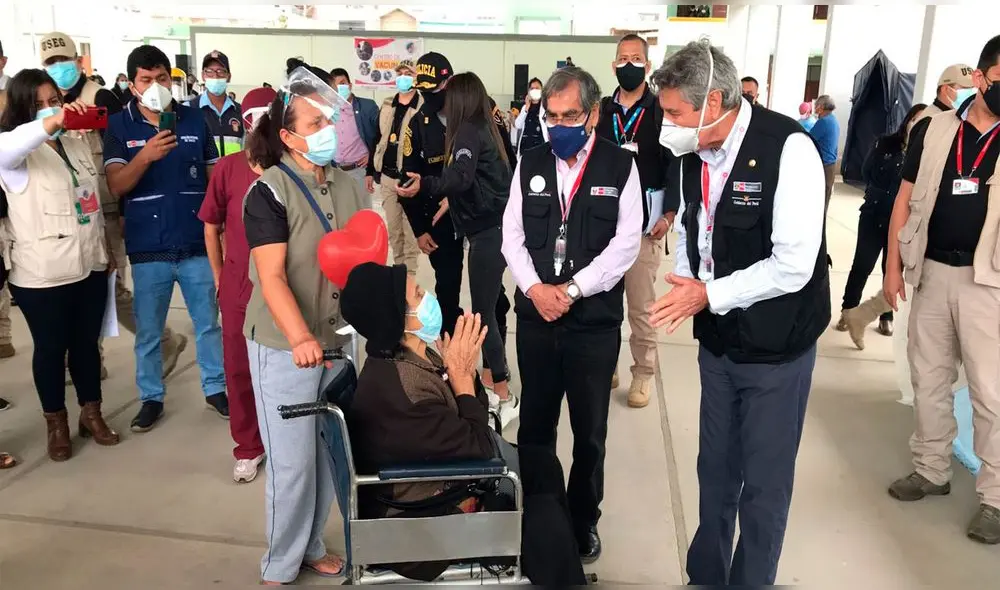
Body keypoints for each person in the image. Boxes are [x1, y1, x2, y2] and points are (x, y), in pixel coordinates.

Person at [649, 41, 829, 585]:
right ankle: (707, 576)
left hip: (776, 352)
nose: (668, 124)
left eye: (676, 113)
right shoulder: (692, 154)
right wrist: (686, 278)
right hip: (720, 346)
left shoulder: (787, 149)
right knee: (716, 472)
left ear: (715, 102)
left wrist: (708, 294)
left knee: (765, 487)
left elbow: (794, 265)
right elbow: (691, 229)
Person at [340, 262, 587, 585]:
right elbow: (480, 452)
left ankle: (560, 562)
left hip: (446, 478)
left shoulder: (411, 356)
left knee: (541, 462)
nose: (427, 297)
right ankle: (557, 567)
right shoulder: (402, 392)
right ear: (395, 318)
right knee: (544, 519)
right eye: (417, 295)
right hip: (423, 521)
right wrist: (461, 379)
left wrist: (464, 373)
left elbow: (475, 418)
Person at [502, 65, 642, 563]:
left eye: (570, 116)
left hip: (592, 325)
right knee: (536, 428)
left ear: (594, 113)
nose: (558, 125)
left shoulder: (621, 167)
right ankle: (541, 519)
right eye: (551, 115)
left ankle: (583, 523)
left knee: (590, 435)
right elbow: (512, 237)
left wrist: (575, 288)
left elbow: (626, 245)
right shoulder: (528, 163)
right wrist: (537, 289)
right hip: (538, 321)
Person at [241, 65, 365, 584]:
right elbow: (271, 278)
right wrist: (299, 337)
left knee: (326, 453)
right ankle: (279, 564)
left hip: (337, 342)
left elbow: (367, 257)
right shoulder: (268, 193)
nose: (326, 132)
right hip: (284, 347)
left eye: (329, 121)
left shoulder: (347, 182)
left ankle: (311, 544)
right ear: (288, 136)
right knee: (291, 466)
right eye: (313, 124)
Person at [882, 35, 1000, 545]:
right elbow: (903, 199)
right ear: (980, 78)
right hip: (929, 270)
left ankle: (995, 499)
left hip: (988, 283)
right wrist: (892, 268)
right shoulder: (935, 129)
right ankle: (931, 470)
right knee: (927, 375)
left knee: (990, 393)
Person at [41, 32, 187, 381]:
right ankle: (89, 359)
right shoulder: (48, 102)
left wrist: (123, 211)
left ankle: (156, 342)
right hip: (67, 207)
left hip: (105, 206)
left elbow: (125, 151)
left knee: (108, 288)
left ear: (78, 60)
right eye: (50, 62)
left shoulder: (101, 97)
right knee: (82, 286)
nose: (58, 67)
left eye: (64, 60)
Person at [103, 45, 228, 432]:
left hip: (195, 241)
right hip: (148, 246)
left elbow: (213, 179)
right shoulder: (118, 127)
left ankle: (215, 388)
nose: (156, 86)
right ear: (132, 84)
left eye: (162, 79)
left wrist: (221, 228)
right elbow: (116, 186)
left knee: (208, 323)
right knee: (150, 331)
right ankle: (151, 397)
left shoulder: (193, 120)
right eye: (146, 80)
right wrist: (145, 157)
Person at [0, 69, 122, 461]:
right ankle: (56, 423)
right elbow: (9, 148)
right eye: (38, 104)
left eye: (54, 100)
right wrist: (54, 120)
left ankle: (92, 413)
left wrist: (105, 250)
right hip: (42, 273)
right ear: (21, 108)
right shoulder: (14, 151)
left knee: (86, 345)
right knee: (51, 349)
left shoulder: (75, 142)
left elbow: (90, 199)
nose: (50, 109)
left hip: (89, 263)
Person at [396, 71, 518, 424]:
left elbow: (461, 175)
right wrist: (452, 198)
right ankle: (493, 374)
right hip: (492, 228)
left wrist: (428, 185)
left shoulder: (467, 130)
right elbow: (483, 178)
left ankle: (503, 394)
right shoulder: (485, 128)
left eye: (448, 97)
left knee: (482, 314)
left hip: (487, 234)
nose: (443, 104)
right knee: (491, 305)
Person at [595, 33, 678, 408]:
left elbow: (677, 161)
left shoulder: (660, 108)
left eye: (635, 58)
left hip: (646, 225)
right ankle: (607, 364)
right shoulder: (602, 110)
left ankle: (643, 373)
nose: (628, 65)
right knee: (604, 303)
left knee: (642, 307)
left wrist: (670, 211)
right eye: (622, 59)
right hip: (604, 225)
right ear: (614, 65)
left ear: (647, 64)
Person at [200, 86, 275, 483]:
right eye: (255, 116)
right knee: (239, 369)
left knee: (282, 370)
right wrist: (218, 276)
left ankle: (282, 440)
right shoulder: (229, 169)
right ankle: (248, 446)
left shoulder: (287, 168)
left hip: (280, 286)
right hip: (238, 287)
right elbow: (212, 226)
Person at [834, 104, 926, 342]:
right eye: (915, 118)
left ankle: (886, 316)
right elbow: (867, 171)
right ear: (907, 120)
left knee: (892, 268)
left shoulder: (927, 150)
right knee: (862, 265)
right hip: (875, 213)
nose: (918, 123)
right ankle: (848, 310)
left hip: (904, 222)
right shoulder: (886, 143)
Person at [365, 59, 422, 275]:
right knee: (395, 232)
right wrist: (371, 170)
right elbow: (378, 138)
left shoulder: (422, 106)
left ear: (415, 77)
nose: (402, 77)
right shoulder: (388, 104)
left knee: (410, 233)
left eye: (407, 73)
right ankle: (399, 274)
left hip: (409, 177)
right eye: (399, 73)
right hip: (387, 176)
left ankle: (410, 279)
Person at [330, 67, 378, 194]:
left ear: (350, 85)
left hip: (360, 171)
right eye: (335, 85)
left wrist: (372, 156)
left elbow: (381, 135)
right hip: (335, 171)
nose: (339, 88)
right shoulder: (328, 110)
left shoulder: (367, 106)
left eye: (342, 83)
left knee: (362, 212)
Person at [187, 50, 244, 159]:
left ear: (229, 76)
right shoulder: (189, 109)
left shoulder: (240, 111)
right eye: (209, 71)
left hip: (232, 174)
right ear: (203, 75)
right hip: (202, 174)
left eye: (221, 71)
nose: (215, 76)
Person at [809, 94, 841, 214]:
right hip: (831, 164)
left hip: (822, 164)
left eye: (816, 105)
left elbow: (810, 138)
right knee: (825, 199)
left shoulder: (823, 122)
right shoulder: (834, 120)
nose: (815, 108)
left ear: (821, 107)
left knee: (818, 199)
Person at [512, 77, 546, 156]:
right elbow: (517, 125)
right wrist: (526, 108)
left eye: (537, 88)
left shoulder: (546, 107)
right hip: (525, 148)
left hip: (540, 147)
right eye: (532, 88)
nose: (534, 90)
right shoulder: (525, 107)